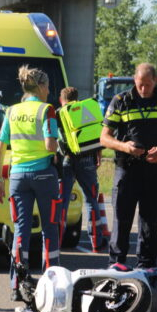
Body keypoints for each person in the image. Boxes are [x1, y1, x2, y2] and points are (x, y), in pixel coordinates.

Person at [100, 63, 157, 269]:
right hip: (126, 169)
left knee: (149, 223)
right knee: (121, 220)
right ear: (134, 81)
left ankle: (147, 266)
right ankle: (116, 265)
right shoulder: (121, 101)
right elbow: (104, 138)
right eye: (139, 85)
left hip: (153, 170)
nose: (143, 89)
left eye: (147, 85)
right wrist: (124, 146)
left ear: (155, 81)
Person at [0, 65, 61, 301]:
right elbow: (50, 146)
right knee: (49, 229)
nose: (49, 91)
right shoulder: (47, 110)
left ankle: (17, 284)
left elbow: (0, 148)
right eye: (48, 87)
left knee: (20, 231)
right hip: (44, 175)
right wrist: (60, 146)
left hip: (17, 177)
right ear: (41, 87)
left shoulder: (11, 111)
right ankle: (52, 284)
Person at [56, 87, 109, 252]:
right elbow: (96, 132)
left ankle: (56, 242)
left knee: (62, 202)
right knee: (91, 200)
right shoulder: (87, 109)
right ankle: (96, 242)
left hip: (67, 160)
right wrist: (98, 154)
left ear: (61, 99)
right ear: (77, 98)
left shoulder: (59, 113)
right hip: (87, 160)